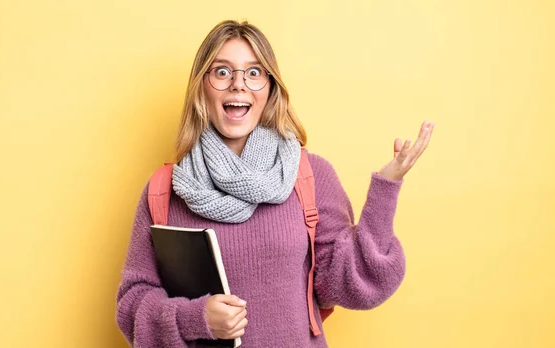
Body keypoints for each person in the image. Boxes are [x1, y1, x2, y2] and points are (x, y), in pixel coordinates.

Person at [115, 20, 435, 348]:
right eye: (222, 72)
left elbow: (351, 283)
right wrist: (194, 318)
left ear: (269, 88)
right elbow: (132, 304)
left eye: (254, 73)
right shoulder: (165, 190)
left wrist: (386, 189)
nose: (238, 84)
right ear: (201, 87)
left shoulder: (310, 175)